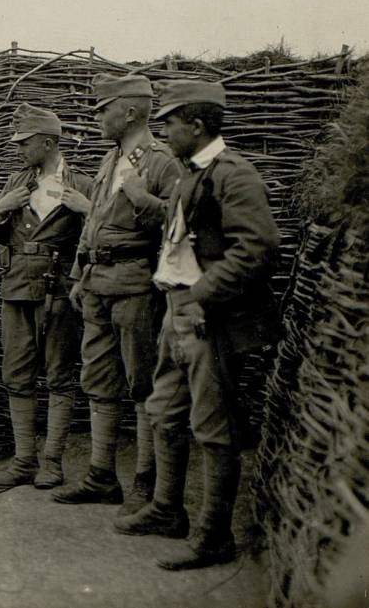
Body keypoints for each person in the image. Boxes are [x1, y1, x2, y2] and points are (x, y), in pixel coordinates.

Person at [114, 80, 279, 570]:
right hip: (177, 312)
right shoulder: (191, 175)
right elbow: (181, 229)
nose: (161, 129)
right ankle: (168, 509)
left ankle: (213, 537)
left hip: (211, 319)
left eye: (170, 121)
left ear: (198, 125)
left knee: (211, 427)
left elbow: (258, 247)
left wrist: (200, 295)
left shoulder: (235, 174)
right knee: (164, 411)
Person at [55, 74, 182, 514]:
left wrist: (143, 199)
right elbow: (94, 223)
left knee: (143, 384)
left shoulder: (162, 162)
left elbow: (182, 226)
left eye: (102, 108)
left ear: (129, 111)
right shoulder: (112, 159)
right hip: (98, 284)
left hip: (135, 285)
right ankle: (101, 476)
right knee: (99, 382)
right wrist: (78, 273)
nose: (96, 116)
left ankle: (146, 483)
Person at [0, 104, 93, 491]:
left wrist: (89, 212)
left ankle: (52, 463)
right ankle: (23, 461)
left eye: (25, 143)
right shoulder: (15, 181)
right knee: (17, 376)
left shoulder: (81, 185)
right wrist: (0, 209)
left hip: (59, 291)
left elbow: (96, 239)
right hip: (16, 290)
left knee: (60, 376)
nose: (19, 150)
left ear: (48, 143)